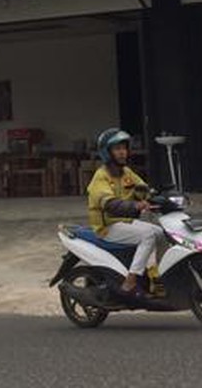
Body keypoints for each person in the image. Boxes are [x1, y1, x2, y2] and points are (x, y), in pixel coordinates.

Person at [86, 127, 165, 299]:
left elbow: (143, 189)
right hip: (107, 227)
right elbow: (110, 205)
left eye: (124, 148)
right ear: (107, 153)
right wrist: (135, 206)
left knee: (161, 233)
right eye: (117, 149)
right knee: (149, 235)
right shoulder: (101, 177)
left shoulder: (126, 173)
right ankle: (131, 280)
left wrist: (160, 197)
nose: (123, 152)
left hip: (125, 224)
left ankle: (157, 275)